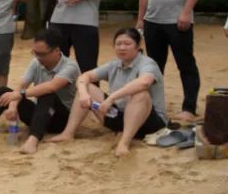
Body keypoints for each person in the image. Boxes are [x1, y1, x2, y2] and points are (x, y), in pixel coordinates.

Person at [51, 27, 167, 157]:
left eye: (127, 44)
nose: (122, 48)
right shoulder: (114, 64)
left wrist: (112, 98)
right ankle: (68, 133)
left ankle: (124, 143)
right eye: (118, 44)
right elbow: (84, 76)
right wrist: (83, 94)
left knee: (141, 94)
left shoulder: (148, 63)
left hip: (149, 122)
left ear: (138, 46)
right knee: (88, 88)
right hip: (118, 116)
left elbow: (144, 82)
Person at [0, 28, 81, 154]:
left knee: (46, 94)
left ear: (56, 50)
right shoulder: (36, 62)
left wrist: (19, 95)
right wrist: (13, 107)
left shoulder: (70, 66)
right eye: (35, 52)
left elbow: (51, 86)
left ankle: (33, 140)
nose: (38, 57)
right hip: (40, 114)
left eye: (42, 54)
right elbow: (21, 85)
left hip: (62, 119)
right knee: (2, 91)